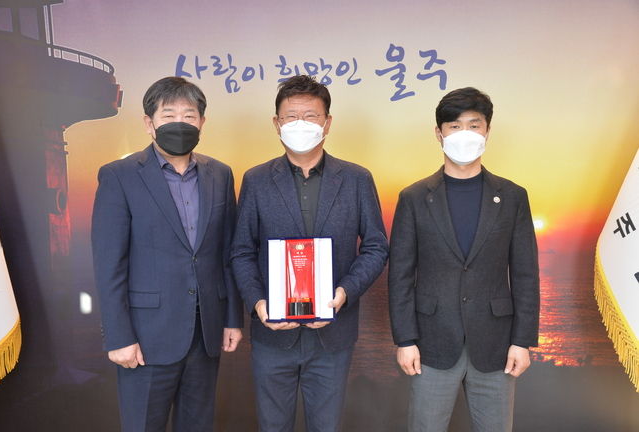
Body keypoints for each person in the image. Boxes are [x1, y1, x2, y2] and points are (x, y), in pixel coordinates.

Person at [230, 75, 388, 432]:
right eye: (291, 117)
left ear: (327, 123)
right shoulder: (256, 180)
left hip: (333, 335)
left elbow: (376, 246)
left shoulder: (357, 179)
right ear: (277, 123)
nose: (300, 124)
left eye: (310, 116)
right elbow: (241, 251)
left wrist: (344, 293)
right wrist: (258, 303)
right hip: (272, 334)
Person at [91, 76, 243, 432]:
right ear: (149, 123)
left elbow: (227, 253)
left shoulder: (220, 174)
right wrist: (119, 337)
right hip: (146, 338)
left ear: (202, 122)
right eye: (169, 115)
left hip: (205, 333)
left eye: (189, 116)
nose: (180, 123)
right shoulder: (119, 176)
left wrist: (232, 318)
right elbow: (109, 264)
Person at [388, 87, 540, 432]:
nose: (465, 134)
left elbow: (526, 274)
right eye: (455, 126)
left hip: (496, 345)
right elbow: (400, 276)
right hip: (431, 343)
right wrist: (405, 340)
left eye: (474, 125)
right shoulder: (413, 198)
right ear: (439, 133)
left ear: (487, 131)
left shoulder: (513, 196)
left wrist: (522, 341)